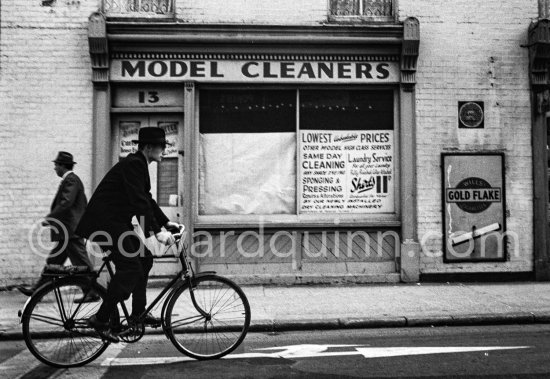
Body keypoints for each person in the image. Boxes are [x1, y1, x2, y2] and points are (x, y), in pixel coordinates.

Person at [76, 127, 178, 343]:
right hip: (104, 225)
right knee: (130, 267)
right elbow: (137, 202)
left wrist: (165, 222)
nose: (164, 151)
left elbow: (146, 199)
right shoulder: (134, 165)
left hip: (115, 224)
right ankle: (101, 319)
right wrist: (156, 233)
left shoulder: (139, 165)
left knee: (144, 258)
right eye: (161, 147)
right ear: (148, 147)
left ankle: (137, 315)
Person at [18, 152, 98, 302]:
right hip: (66, 232)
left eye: (56, 165)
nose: (55, 168)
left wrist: (50, 218)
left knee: (81, 263)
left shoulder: (71, 180)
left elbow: (66, 202)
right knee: (54, 261)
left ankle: (92, 291)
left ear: (62, 166)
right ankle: (37, 291)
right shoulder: (70, 180)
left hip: (71, 231)